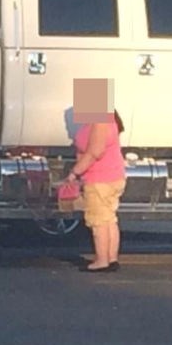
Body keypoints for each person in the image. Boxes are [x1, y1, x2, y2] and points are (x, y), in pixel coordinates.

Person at [64, 107, 126, 273]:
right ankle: (111, 259)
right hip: (113, 177)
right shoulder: (109, 121)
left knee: (98, 221)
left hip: (100, 179)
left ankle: (101, 260)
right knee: (109, 219)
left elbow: (94, 152)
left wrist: (74, 172)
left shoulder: (100, 122)